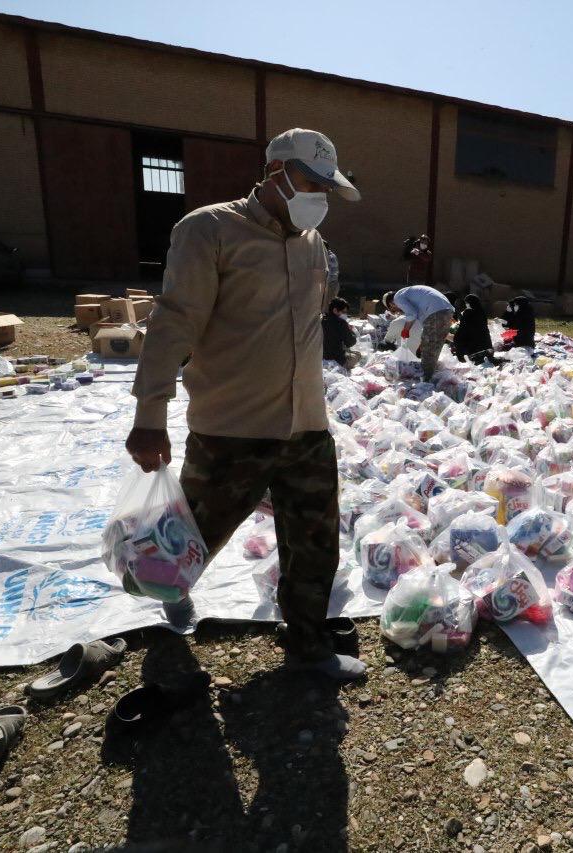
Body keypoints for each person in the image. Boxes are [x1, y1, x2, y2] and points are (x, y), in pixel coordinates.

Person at [126, 127, 366, 681]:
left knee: (313, 541)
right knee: (191, 538)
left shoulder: (311, 244)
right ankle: (164, 590)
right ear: (275, 173)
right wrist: (149, 414)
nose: (320, 199)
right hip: (231, 426)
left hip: (305, 424)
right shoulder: (209, 230)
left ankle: (307, 644)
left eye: (328, 189)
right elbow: (173, 322)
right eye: (311, 183)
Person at [383, 285, 453, 380]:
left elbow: (411, 314)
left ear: (391, 303)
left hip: (435, 311)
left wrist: (406, 329)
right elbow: (426, 324)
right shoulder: (413, 298)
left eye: (393, 309)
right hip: (446, 309)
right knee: (433, 347)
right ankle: (429, 376)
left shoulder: (398, 297)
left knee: (428, 348)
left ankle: (425, 380)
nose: (398, 312)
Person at [451, 294, 493, 364]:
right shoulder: (482, 312)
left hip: (473, 354)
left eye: (467, 303)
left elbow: (461, 334)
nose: (466, 305)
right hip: (488, 350)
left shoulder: (468, 313)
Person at [321, 297, 359, 369]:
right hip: (338, 359)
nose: (345, 315)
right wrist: (351, 331)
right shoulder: (341, 323)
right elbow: (350, 343)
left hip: (321, 356)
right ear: (335, 310)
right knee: (358, 354)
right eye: (343, 312)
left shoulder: (322, 319)